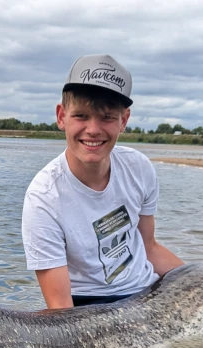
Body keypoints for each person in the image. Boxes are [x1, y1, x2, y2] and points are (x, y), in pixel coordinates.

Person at [21, 54, 184, 309]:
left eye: (107, 117)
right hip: (87, 309)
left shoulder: (139, 168)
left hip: (147, 293)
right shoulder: (43, 197)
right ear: (61, 116)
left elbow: (149, 247)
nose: (94, 129)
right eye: (82, 116)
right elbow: (60, 307)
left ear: (124, 121)